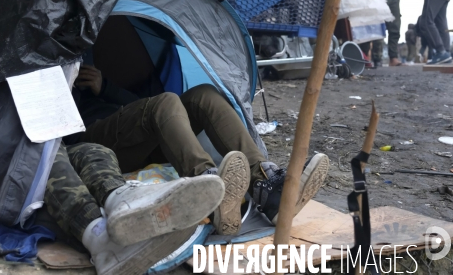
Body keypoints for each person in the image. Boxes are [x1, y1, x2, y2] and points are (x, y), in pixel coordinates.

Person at [70, 63, 329, 234]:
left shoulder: (102, 76)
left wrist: (105, 87)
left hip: (139, 132)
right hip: (93, 139)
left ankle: (266, 185)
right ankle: (208, 188)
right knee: (166, 101)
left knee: (203, 95)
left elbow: (143, 106)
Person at [44, 141, 225, 275]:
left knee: (94, 150)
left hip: (52, 135)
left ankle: (120, 196)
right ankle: (100, 240)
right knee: (49, 158)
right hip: (21, 153)